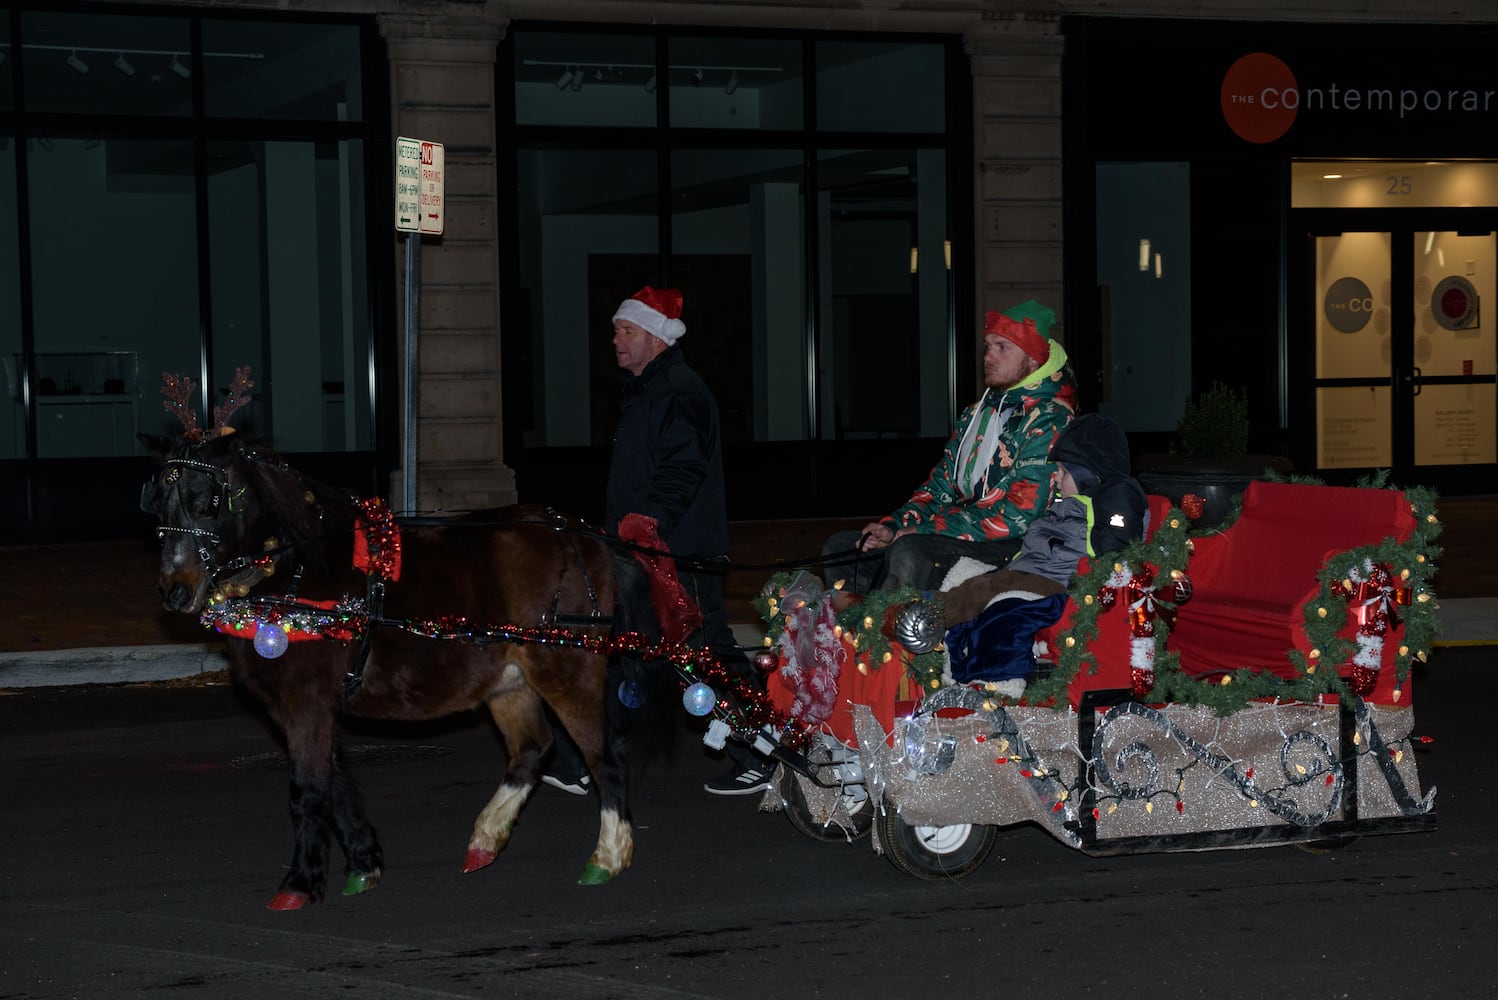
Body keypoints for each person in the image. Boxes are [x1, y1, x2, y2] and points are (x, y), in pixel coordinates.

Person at [543, 285, 771, 798]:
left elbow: (683, 468)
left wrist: (648, 519)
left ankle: (762, 749)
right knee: (623, 652)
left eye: (626, 332)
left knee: (705, 652)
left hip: (680, 551)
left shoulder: (679, 391)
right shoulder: (646, 390)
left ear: (654, 337)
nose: (616, 342)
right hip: (638, 548)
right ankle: (577, 756)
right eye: (616, 333)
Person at [824, 299, 1078, 595]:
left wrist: (922, 531)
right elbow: (939, 488)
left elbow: (1019, 516)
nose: (988, 357)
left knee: (910, 551)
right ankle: (860, 627)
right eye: (988, 346)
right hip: (958, 531)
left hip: (1017, 542)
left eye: (1002, 347)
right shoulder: (977, 414)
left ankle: (899, 634)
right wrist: (891, 527)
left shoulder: (1052, 418)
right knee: (843, 547)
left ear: (1033, 360)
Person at [939, 412, 1148, 687]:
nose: (1057, 480)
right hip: (1032, 571)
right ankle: (938, 623)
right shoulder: (1068, 503)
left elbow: (1113, 551)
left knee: (994, 593)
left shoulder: (1115, 498)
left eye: (1064, 472)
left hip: (1057, 583)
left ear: (1089, 475)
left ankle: (946, 629)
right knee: (966, 573)